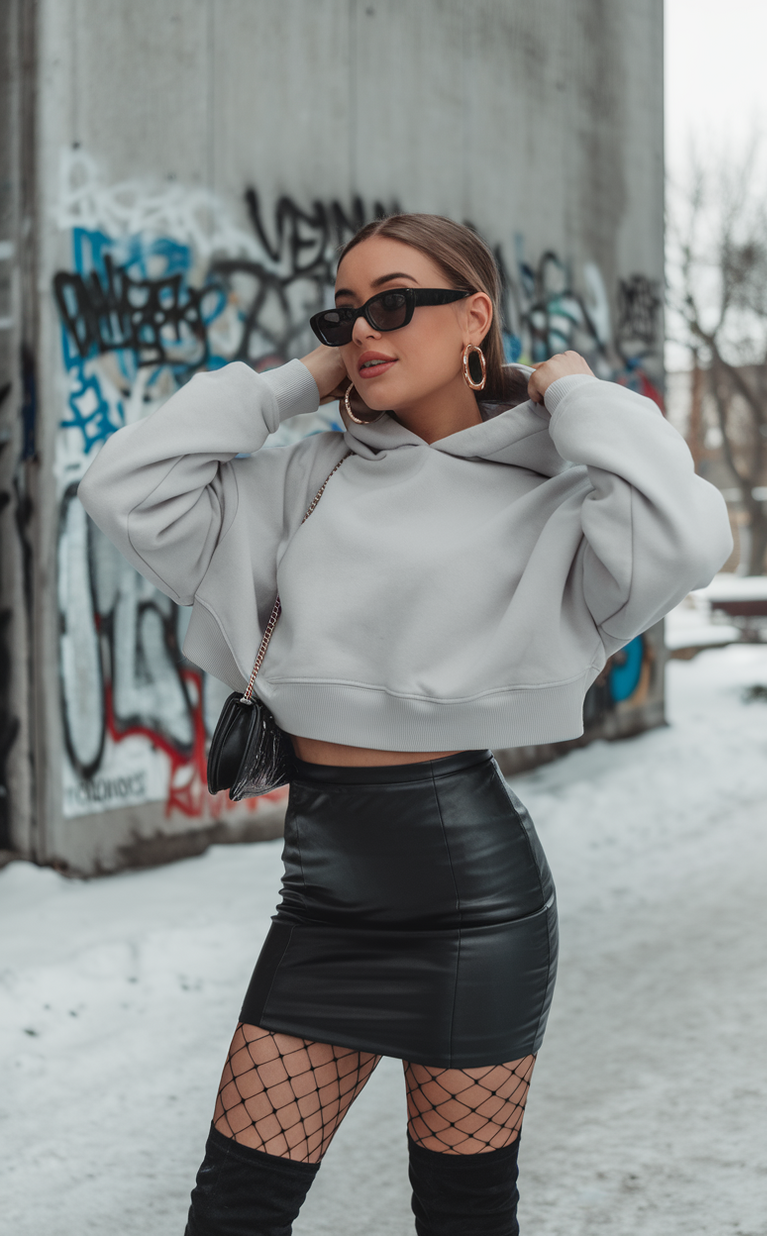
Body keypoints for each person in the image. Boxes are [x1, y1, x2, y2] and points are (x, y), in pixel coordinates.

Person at [78, 213, 733, 1236]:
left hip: (470, 901)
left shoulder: (552, 492)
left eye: (390, 303)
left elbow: (686, 533)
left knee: (462, 1217)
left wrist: (567, 393)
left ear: (473, 315)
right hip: (322, 892)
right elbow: (124, 485)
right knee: (234, 1210)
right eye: (343, 312)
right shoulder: (307, 475)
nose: (362, 332)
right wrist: (297, 377)